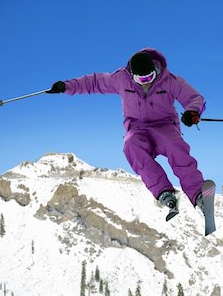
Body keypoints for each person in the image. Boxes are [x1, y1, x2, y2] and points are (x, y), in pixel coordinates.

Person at [47, 48, 207, 221]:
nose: (145, 83)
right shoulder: (121, 79)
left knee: (175, 146)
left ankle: (198, 194)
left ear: (155, 71)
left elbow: (194, 97)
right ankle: (164, 192)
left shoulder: (169, 80)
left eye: (149, 78)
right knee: (130, 145)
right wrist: (66, 86)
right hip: (137, 128)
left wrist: (192, 112)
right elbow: (94, 82)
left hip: (165, 126)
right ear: (132, 75)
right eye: (141, 79)